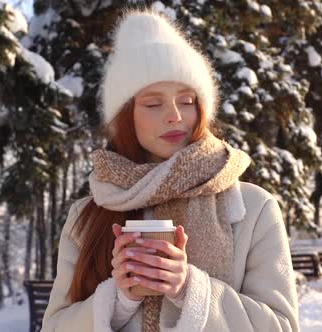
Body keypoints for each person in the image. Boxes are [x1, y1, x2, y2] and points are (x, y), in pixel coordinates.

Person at [41, 7, 299, 332]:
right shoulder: (87, 216)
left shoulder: (253, 209)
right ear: (126, 116)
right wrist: (118, 300)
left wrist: (189, 289)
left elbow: (281, 326)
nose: (175, 116)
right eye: (153, 103)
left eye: (187, 100)